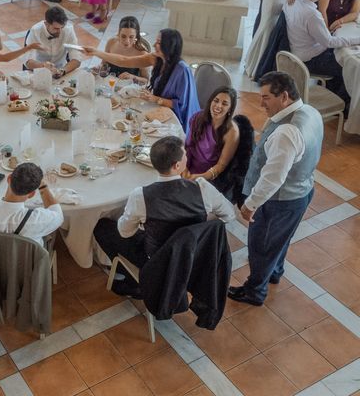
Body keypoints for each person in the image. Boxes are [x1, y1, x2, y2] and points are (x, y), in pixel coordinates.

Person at [94, 136, 235, 297]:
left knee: (103, 227)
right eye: (185, 155)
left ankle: (130, 278)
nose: (187, 157)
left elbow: (125, 232)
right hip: (192, 259)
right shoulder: (202, 188)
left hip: (157, 262)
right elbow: (229, 215)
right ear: (177, 165)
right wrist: (197, 225)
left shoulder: (141, 195)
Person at [229, 72, 323, 306]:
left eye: (266, 97)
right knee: (280, 239)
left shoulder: (286, 132)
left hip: (280, 200)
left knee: (261, 246)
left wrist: (250, 204)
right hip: (302, 190)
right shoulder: (309, 112)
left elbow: (273, 177)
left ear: (285, 96)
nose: (261, 103)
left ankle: (255, 291)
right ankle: (275, 272)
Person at [84, 28, 200, 133]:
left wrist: (155, 99)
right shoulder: (156, 59)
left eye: (159, 42)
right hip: (159, 111)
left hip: (177, 120)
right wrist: (96, 52)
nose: (154, 45)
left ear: (170, 45)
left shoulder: (182, 70)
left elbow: (182, 105)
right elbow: (124, 60)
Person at [285, 0, 360, 107]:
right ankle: (342, 106)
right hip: (311, 60)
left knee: (343, 56)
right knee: (350, 68)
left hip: (298, 51)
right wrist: (356, 39)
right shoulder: (312, 14)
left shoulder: (292, 1)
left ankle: (334, 94)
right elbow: (329, 42)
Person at [183, 87, 240, 182]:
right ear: (210, 102)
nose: (218, 106)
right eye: (216, 101)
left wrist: (200, 177)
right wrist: (184, 168)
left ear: (230, 109)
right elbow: (188, 146)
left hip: (209, 176)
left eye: (224, 104)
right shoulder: (198, 117)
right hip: (187, 165)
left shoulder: (232, 132)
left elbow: (221, 165)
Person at [24, 6, 81, 76]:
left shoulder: (68, 29)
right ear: (46, 24)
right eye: (56, 28)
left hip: (62, 69)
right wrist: (43, 65)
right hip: (39, 70)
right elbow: (28, 61)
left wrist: (62, 71)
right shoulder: (35, 31)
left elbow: (76, 58)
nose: (60, 32)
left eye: (62, 27)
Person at [103, 16, 150, 82]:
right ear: (119, 33)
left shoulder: (142, 53)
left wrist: (133, 77)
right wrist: (98, 68)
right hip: (109, 83)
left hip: (127, 89)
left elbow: (146, 80)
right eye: (123, 36)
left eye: (131, 37)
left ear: (136, 35)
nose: (127, 41)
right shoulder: (111, 43)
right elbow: (103, 64)